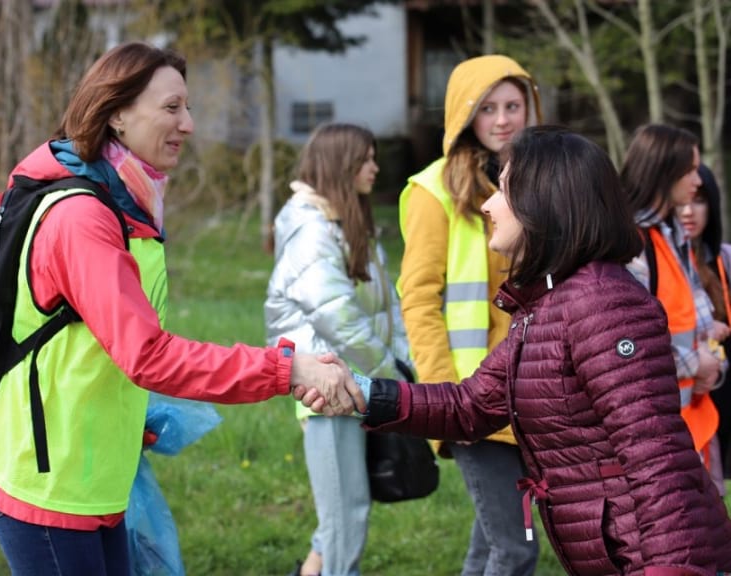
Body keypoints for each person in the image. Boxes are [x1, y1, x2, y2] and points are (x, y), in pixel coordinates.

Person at [0, 42, 363, 576]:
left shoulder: (130, 205)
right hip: (42, 480)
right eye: (172, 108)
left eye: (187, 107)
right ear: (117, 113)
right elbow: (148, 354)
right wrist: (287, 369)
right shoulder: (83, 218)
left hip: (92, 472)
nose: (188, 124)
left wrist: (129, 416)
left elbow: (105, 347)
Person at [334, 125, 731, 574]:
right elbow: (469, 406)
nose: (487, 204)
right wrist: (358, 392)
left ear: (544, 200)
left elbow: (657, 462)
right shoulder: (546, 304)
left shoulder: (603, 305)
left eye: (502, 189)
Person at [397, 54, 541, 574]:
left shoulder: (537, 188)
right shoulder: (432, 191)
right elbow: (419, 299)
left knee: (493, 545)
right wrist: (442, 396)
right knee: (516, 548)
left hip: (530, 396)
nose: (502, 119)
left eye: (513, 105)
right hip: (471, 400)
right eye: (487, 108)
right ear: (464, 116)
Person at [265, 123, 412, 576]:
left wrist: (405, 364)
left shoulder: (344, 224)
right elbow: (341, 321)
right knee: (346, 515)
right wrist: (396, 378)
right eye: (365, 159)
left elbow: (387, 307)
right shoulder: (313, 233)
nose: (375, 167)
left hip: (353, 383)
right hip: (327, 393)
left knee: (346, 507)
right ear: (340, 166)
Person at [620, 124, 724, 480]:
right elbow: (629, 341)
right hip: (656, 430)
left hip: (689, 419)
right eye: (690, 170)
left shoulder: (670, 234)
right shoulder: (632, 245)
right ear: (665, 171)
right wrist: (699, 364)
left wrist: (711, 364)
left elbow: (696, 318)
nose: (698, 180)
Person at [676, 162, 731, 487]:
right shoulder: (650, 262)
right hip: (684, 403)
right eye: (681, 202)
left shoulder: (724, 260)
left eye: (698, 200)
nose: (688, 212)